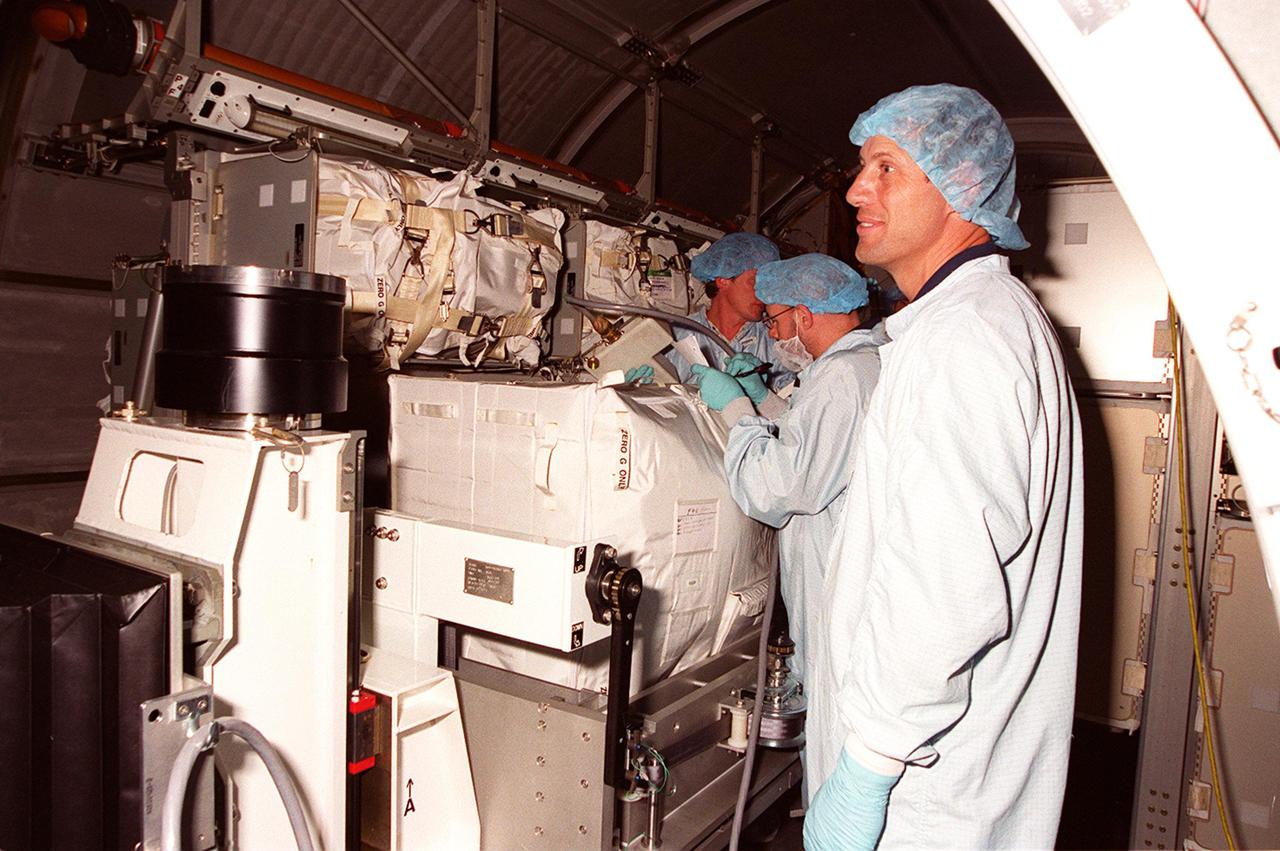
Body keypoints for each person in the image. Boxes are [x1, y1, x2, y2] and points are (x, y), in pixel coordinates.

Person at [802, 84, 1083, 850]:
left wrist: (864, 769)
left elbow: (944, 589)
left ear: (959, 187)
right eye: (862, 168)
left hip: (920, 796)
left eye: (887, 168)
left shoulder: (965, 341)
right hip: (947, 778)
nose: (857, 189)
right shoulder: (972, 325)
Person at [688, 253, 882, 688]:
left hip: (835, 582)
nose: (771, 333)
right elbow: (816, 444)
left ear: (804, 316)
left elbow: (778, 488)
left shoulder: (842, 376)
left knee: (832, 708)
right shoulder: (862, 364)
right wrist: (765, 402)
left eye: (775, 320)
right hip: (841, 571)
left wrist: (736, 408)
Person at [630, 232, 794, 389]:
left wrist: (764, 396)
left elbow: (790, 410)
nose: (763, 293)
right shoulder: (674, 336)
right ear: (723, 280)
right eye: (755, 282)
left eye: (767, 285)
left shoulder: (777, 342)